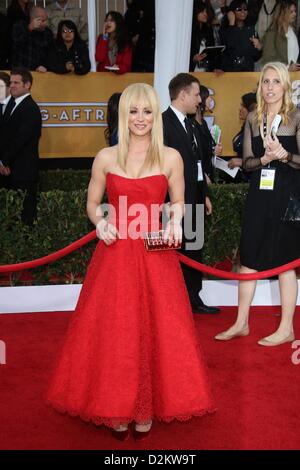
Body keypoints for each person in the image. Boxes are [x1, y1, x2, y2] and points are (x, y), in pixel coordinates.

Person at [47, 83, 215, 440]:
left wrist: (175, 224)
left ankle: (146, 406)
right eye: (133, 111)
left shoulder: (171, 157)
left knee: (158, 329)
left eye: (147, 111)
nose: (141, 119)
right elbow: (92, 204)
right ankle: (115, 405)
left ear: (156, 115)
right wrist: (101, 221)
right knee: (116, 332)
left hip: (156, 254)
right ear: (124, 115)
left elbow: (179, 202)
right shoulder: (106, 158)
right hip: (116, 253)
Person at [215, 61, 300, 346]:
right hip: (260, 192)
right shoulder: (253, 117)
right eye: (265, 81)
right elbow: (248, 163)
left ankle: (287, 327)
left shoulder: (296, 117)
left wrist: (285, 156)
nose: (270, 87)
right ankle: (241, 322)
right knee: (249, 255)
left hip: (288, 193)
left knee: (286, 259)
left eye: (276, 82)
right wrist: (264, 159)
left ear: (285, 85)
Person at [162, 73, 219, 314]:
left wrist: (204, 193)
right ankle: (170, 302)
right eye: (196, 94)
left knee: (194, 249)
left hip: (194, 198)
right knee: (170, 252)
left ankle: (193, 298)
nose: (200, 100)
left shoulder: (193, 125)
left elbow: (199, 164)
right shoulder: (161, 123)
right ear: (183, 94)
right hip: (170, 202)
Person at [0, 68, 42, 225]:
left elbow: (20, 140)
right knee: (11, 217)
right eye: (10, 82)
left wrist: (4, 161)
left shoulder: (31, 109)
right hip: (9, 172)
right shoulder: (11, 104)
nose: (12, 86)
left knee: (25, 218)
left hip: (24, 173)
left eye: (16, 82)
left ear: (28, 85)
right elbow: (5, 136)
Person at [11, 6, 54, 71]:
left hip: (40, 72)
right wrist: (29, 29)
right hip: (21, 71)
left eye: (46, 20)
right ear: (33, 19)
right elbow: (16, 44)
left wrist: (44, 66)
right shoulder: (20, 26)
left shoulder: (47, 33)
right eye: (42, 20)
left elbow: (50, 54)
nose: (45, 23)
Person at [261, 0, 300, 70]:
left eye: (295, 11)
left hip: (294, 75)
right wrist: (287, 67)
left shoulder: (293, 32)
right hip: (279, 75)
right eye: (291, 12)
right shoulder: (272, 33)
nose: (294, 14)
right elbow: (268, 59)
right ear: (282, 13)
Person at [227, 91, 257, 181]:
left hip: (252, 178)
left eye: (243, 106)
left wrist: (242, 162)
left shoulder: (257, 130)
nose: (240, 109)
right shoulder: (245, 127)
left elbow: (264, 157)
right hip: (242, 177)